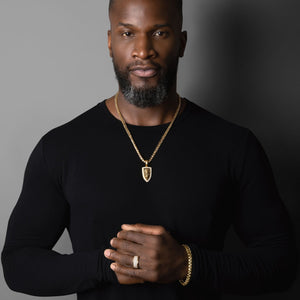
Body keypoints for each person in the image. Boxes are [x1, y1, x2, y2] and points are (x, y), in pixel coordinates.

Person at [1, 0, 297, 299]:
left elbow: (282, 264)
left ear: (181, 43)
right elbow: (18, 265)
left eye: (159, 33)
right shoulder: (61, 148)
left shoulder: (234, 145)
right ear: (109, 42)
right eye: (128, 33)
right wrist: (106, 267)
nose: (143, 50)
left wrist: (186, 264)